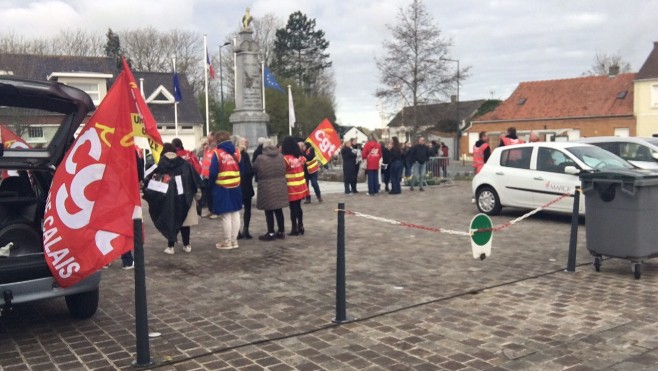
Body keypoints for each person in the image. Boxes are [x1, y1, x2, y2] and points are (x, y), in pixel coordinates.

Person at [142, 142, 201, 255]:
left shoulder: (159, 166)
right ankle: (187, 244)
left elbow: (149, 182)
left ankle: (170, 247)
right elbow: (194, 181)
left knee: (170, 220)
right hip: (184, 198)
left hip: (166, 200)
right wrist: (198, 196)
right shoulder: (185, 164)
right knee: (185, 221)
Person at [209, 131, 243, 250]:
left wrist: (210, 185)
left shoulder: (217, 153)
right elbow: (241, 167)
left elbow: (213, 172)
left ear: (217, 141)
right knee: (236, 213)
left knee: (226, 215)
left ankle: (227, 241)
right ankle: (234, 241)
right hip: (236, 186)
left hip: (222, 187)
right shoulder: (236, 152)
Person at [252, 140, 289, 241]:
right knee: (278, 209)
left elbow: (254, 167)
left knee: (268, 211)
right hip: (280, 185)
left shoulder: (260, 158)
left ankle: (271, 232)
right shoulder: (281, 156)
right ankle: (281, 231)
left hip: (266, 186)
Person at [281, 136, 308, 236]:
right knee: (299, 207)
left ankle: (294, 228)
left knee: (293, 208)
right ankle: (301, 225)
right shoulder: (300, 158)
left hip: (291, 187)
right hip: (301, 185)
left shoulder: (286, 159)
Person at [235, 136, 254, 240]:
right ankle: (244, 230)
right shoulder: (243, 155)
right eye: (243, 142)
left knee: (238, 209)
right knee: (246, 209)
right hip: (243, 185)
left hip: (239, 185)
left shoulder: (233, 155)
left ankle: (239, 231)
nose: (245, 144)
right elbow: (249, 171)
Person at [199, 133, 217, 218]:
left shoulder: (216, 150)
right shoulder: (207, 149)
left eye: (209, 136)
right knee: (207, 194)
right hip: (205, 176)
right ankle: (210, 210)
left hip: (212, 176)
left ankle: (215, 211)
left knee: (213, 194)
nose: (207, 138)